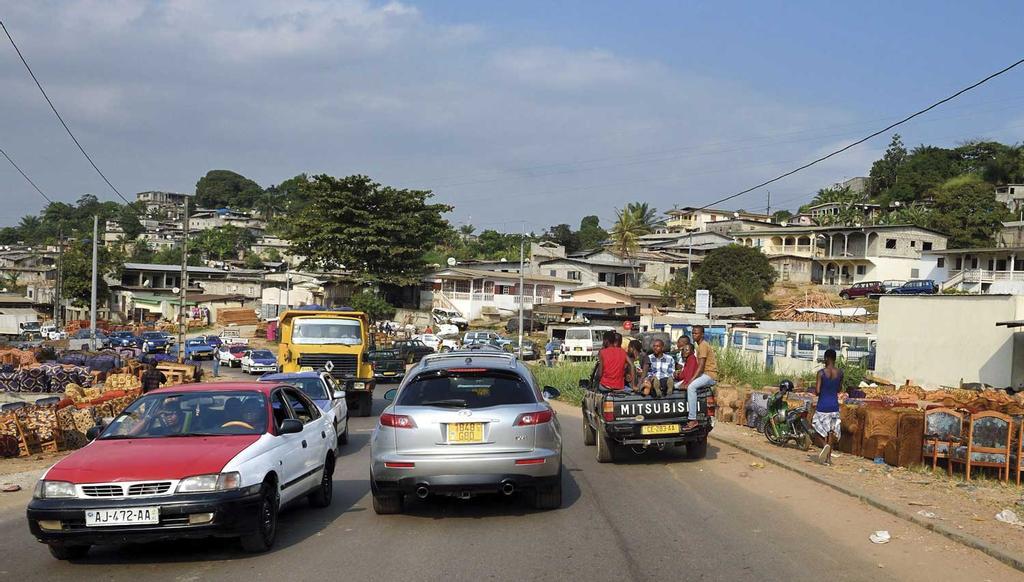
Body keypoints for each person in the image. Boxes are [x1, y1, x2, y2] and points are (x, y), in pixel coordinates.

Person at [812, 349, 844, 465]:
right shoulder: (840, 373)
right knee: (831, 432)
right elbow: (839, 389)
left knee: (815, 426)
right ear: (835, 359)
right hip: (834, 406)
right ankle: (828, 459)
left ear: (826, 358)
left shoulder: (821, 373)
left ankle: (824, 445)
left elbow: (817, 391)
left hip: (822, 406)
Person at [683, 325, 718, 431]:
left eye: (696, 333)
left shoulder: (703, 346)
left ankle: (693, 419)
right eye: (693, 333)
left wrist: (691, 381)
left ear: (702, 334)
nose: (694, 335)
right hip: (704, 374)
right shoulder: (699, 346)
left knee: (691, 387)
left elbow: (701, 366)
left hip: (710, 375)